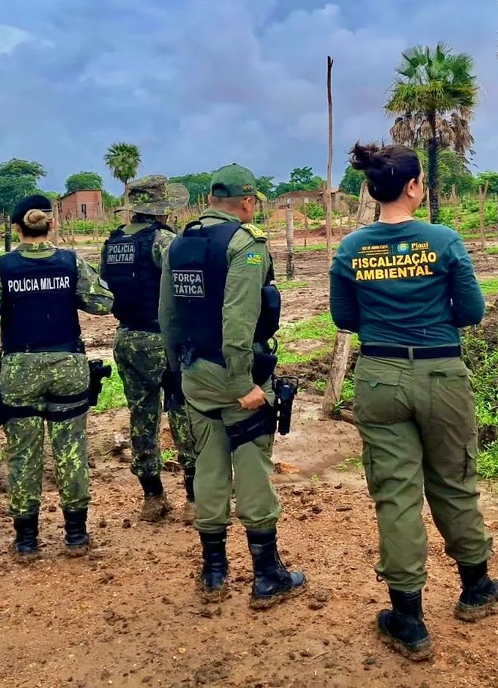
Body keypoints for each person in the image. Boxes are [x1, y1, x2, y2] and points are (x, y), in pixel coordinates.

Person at [329, 142, 498, 661]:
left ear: (371, 188)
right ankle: (476, 589)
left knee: (397, 495)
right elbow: (471, 311)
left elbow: (345, 319)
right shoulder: (444, 240)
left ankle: (408, 619)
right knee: (453, 481)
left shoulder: (351, 248)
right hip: (442, 374)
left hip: (379, 377)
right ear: (413, 187)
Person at [159, 163, 306, 609]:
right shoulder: (246, 244)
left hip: (194, 373)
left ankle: (213, 572)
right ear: (246, 202)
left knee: (208, 465)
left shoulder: (180, 244)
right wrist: (245, 384)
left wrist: (177, 370)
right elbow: (238, 322)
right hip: (235, 374)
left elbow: (167, 317)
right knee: (252, 466)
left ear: (209, 200)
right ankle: (266, 576)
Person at [0, 194, 113, 557]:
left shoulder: (2, 267)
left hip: (19, 371)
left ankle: (26, 540)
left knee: (23, 453)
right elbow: (103, 303)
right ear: (52, 224)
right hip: (67, 366)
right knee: (71, 449)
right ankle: (76, 535)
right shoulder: (70, 263)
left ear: (16, 227)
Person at [100, 175, 198, 524]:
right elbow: (185, 284)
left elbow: (107, 286)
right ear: (163, 210)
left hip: (126, 338)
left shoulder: (113, 243)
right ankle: (193, 497)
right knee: (182, 412)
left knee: (142, 415)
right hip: (162, 340)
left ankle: (152, 497)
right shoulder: (164, 241)